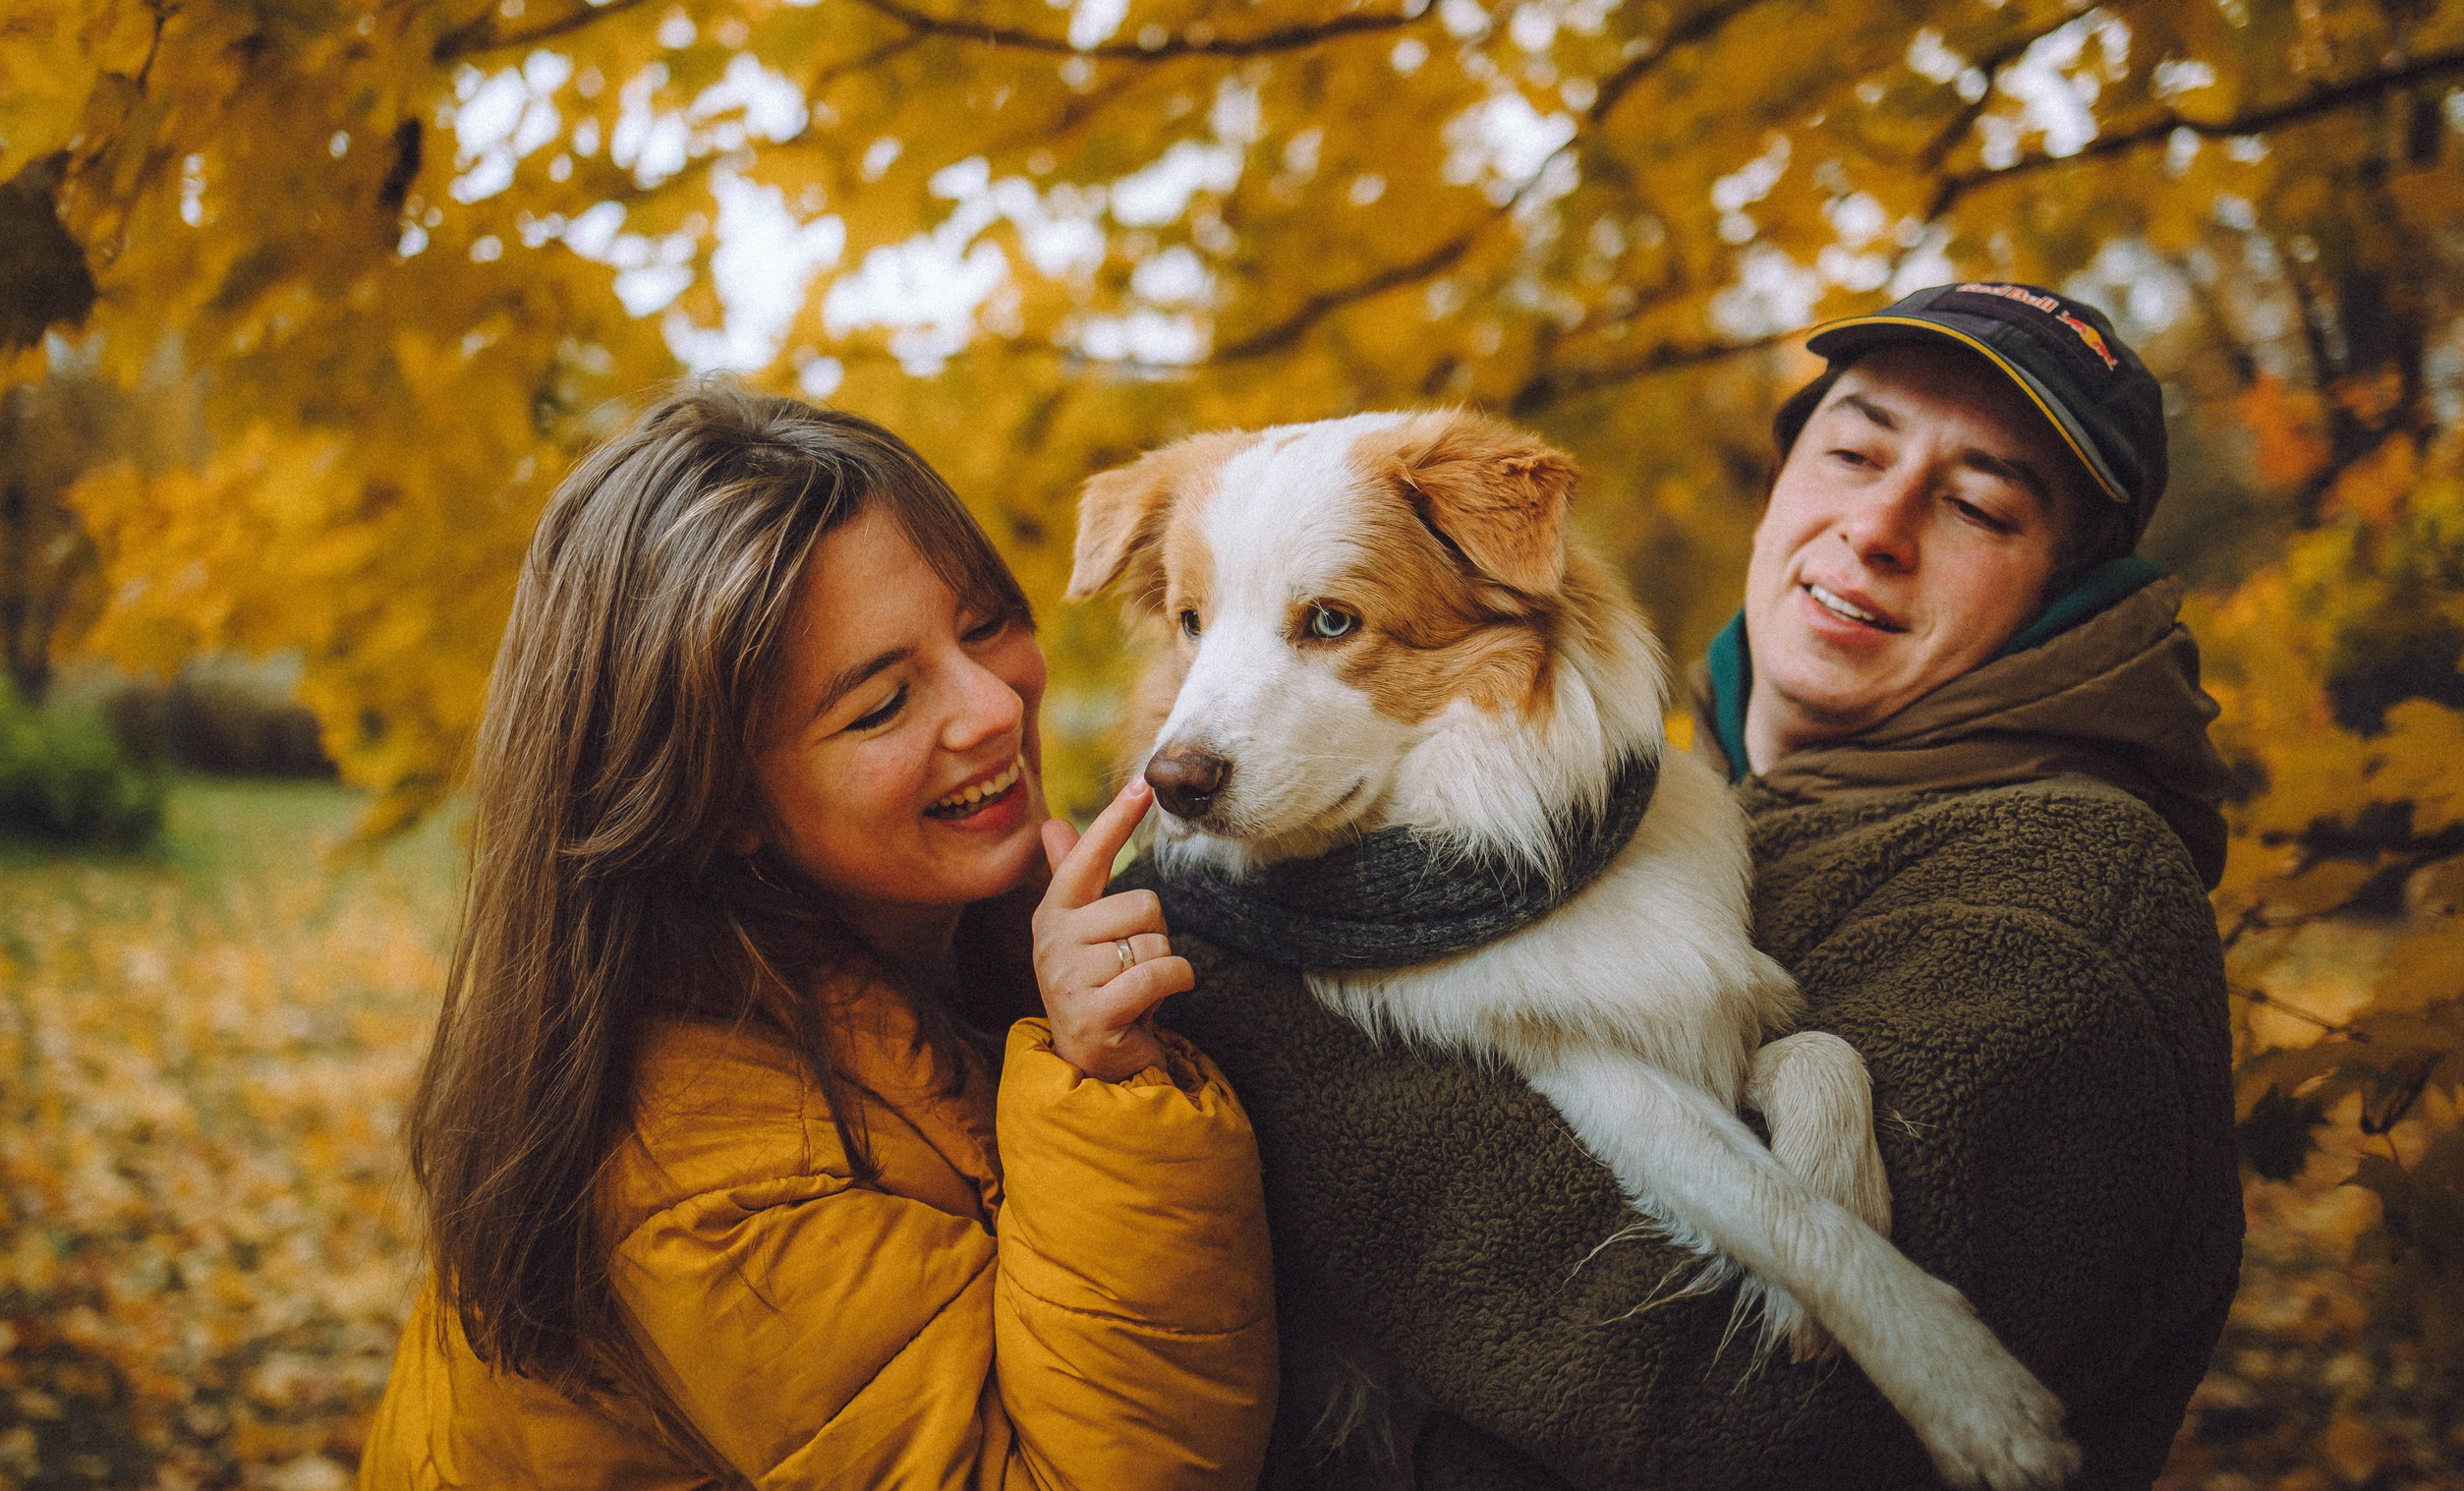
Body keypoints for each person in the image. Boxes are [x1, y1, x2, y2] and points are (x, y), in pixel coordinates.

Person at [1155, 282, 2241, 1490]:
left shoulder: (2069, 879)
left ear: (2068, 592)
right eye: (1851, 450)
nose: (1877, 526)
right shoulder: (1658, 811)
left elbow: (1751, 1424)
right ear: (1778, 487)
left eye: (1978, 505)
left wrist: (1232, 992)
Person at [361, 387, 1278, 1490]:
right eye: (882, 704)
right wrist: (1108, 1092)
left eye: (983, 622)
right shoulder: (699, 1179)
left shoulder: (974, 920)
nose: (991, 704)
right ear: (714, 802)